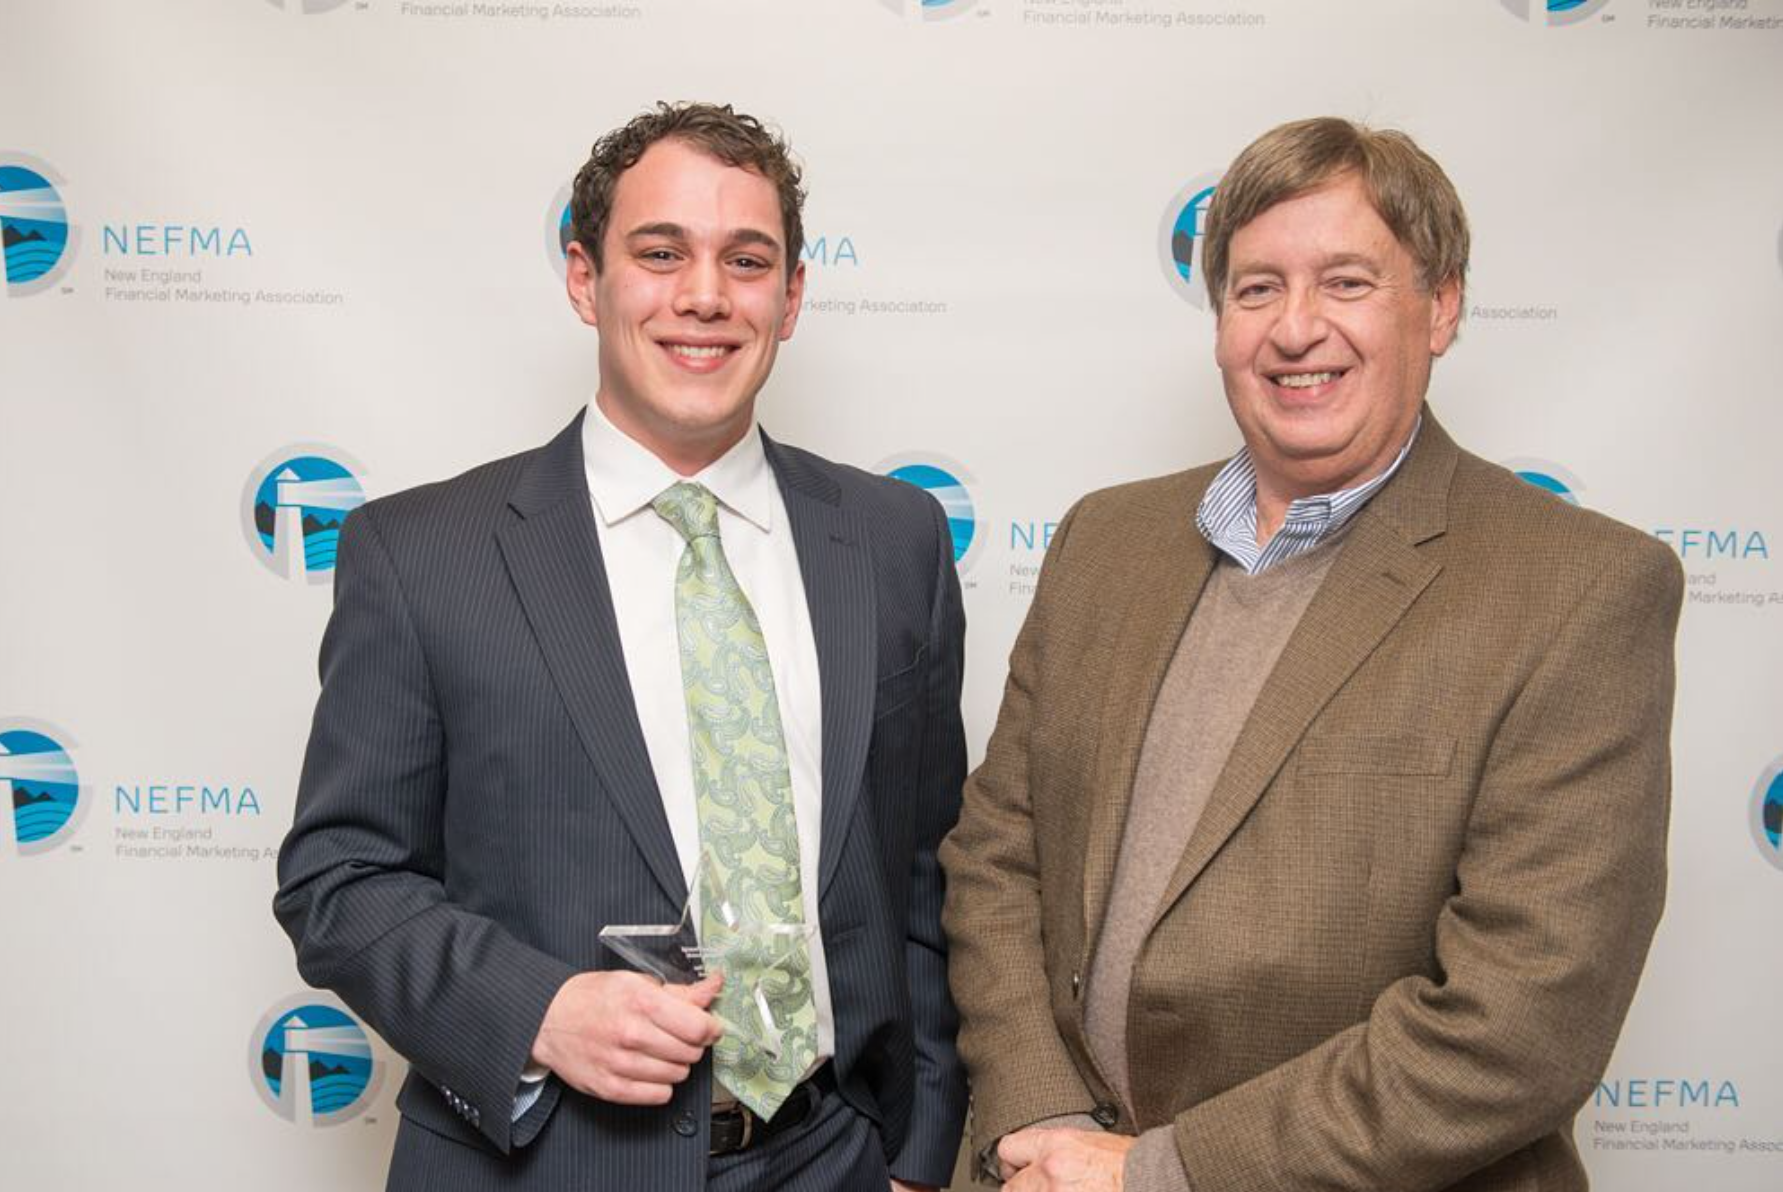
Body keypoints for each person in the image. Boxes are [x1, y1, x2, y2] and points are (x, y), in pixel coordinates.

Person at [940, 116, 1682, 1192]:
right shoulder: (1107, 540)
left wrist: (1159, 1174)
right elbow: (995, 856)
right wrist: (1037, 1121)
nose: (1295, 330)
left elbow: (1517, 1024)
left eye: (1345, 283)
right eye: (1255, 289)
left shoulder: (1576, 591)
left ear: (1442, 306)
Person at [274, 102, 968, 1192]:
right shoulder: (422, 554)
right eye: (660, 253)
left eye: (747, 260)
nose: (704, 295)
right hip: (539, 1164)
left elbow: (928, 871)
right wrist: (535, 1010)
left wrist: (920, 1155)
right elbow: (340, 877)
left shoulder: (893, 542)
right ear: (584, 279)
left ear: (790, 299)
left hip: (832, 1160)